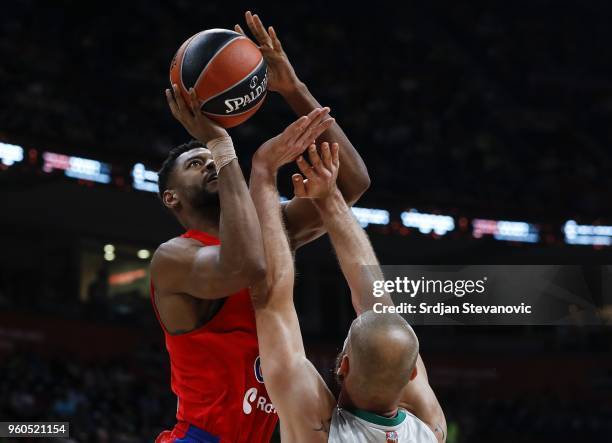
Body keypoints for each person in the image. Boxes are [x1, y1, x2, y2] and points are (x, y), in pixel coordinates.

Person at [150, 11, 370, 442]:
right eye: (196, 165)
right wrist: (222, 146)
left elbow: (352, 184)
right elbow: (245, 266)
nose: (211, 164)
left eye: (212, 160)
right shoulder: (173, 258)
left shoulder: (269, 229)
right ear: (171, 197)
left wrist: (294, 89)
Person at [249, 142, 446, 442]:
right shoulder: (430, 429)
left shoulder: (319, 427)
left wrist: (264, 170)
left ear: (343, 364)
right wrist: (330, 200)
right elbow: (380, 309)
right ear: (411, 376)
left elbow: (273, 300)